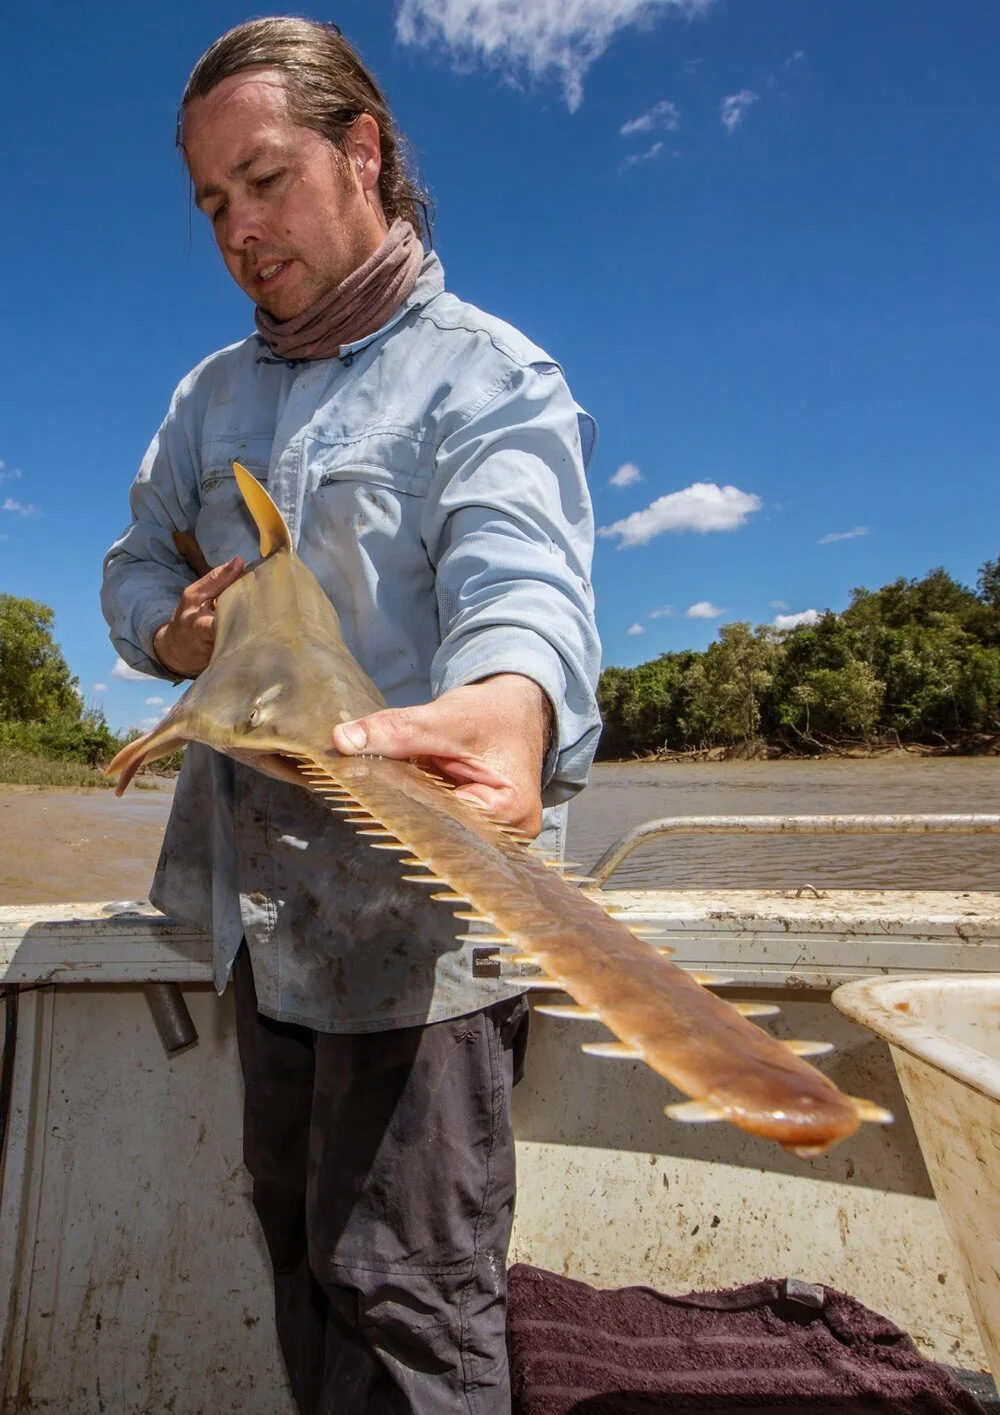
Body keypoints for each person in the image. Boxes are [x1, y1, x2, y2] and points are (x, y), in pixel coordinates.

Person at [102, 17, 601, 1415]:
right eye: (211, 202)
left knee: (404, 1298)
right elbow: (134, 563)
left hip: (422, 922)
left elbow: (524, 577)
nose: (236, 231)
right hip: (255, 928)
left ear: (362, 152)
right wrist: (169, 630)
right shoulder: (207, 399)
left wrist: (512, 702)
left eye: (263, 181)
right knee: (297, 1253)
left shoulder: (492, 378)